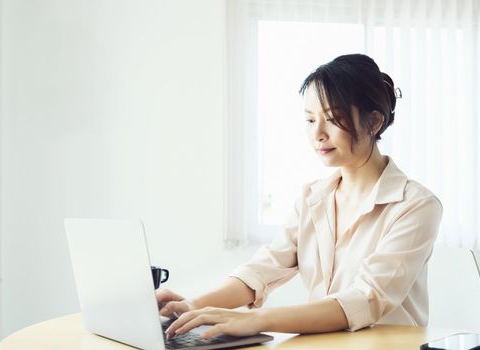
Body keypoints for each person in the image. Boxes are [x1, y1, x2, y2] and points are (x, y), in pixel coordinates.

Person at [157, 53, 442, 339]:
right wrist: (192, 306)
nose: (317, 133)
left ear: (374, 122)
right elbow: (263, 269)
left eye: (333, 119)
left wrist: (256, 320)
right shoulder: (312, 198)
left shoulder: (415, 206)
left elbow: (367, 298)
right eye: (309, 120)